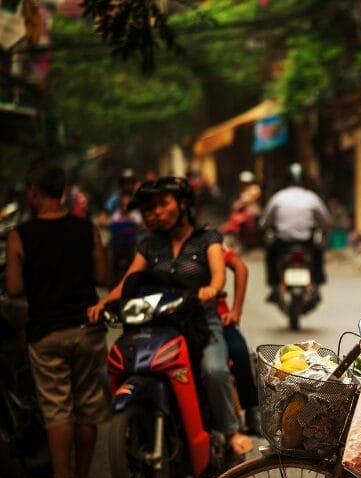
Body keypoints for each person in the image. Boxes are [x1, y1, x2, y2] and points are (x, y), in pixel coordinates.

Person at [86, 176, 253, 457]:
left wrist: (212, 289)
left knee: (214, 370)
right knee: (109, 370)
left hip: (201, 323)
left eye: (164, 203)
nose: (157, 212)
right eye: (151, 207)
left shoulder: (207, 238)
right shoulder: (149, 246)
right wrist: (103, 302)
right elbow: (128, 280)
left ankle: (230, 431)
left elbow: (220, 274)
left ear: (184, 204)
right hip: (157, 324)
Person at [6, 164, 110, 478]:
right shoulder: (86, 229)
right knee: (87, 405)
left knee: (57, 408)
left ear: (35, 192)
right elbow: (101, 276)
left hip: (47, 332)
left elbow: (14, 288)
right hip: (87, 329)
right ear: (63, 191)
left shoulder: (20, 235)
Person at [260, 163, 332, 304]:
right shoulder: (312, 198)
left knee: (270, 256)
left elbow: (264, 222)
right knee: (318, 255)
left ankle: (274, 287)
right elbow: (326, 221)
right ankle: (317, 285)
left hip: (283, 243)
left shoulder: (278, 197)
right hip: (306, 243)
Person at [216, 243, 259, 434]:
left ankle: (252, 409)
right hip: (170, 321)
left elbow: (240, 267)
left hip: (216, 318)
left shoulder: (209, 241)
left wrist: (236, 311)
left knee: (240, 351)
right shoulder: (152, 246)